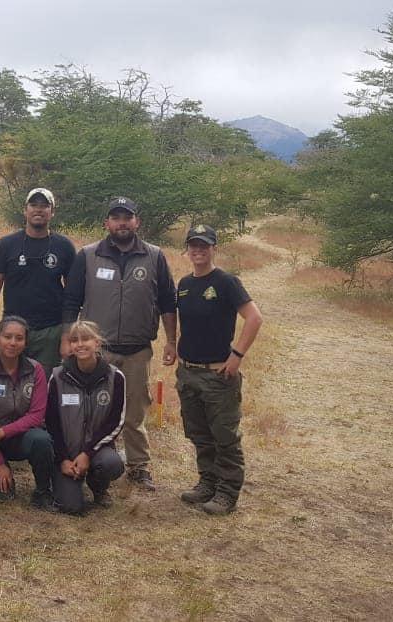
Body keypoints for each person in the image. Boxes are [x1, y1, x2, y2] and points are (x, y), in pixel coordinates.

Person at [61, 196, 177, 491]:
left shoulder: (154, 256)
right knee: (92, 410)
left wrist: (171, 341)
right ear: (107, 223)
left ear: (137, 222)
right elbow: (71, 300)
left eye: (127, 217)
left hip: (138, 350)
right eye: (116, 218)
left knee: (135, 412)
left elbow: (167, 302)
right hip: (97, 352)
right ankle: (90, 461)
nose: (122, 223)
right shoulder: (88, 255)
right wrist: (67, 340)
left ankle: (138, 466)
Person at [175, 225, 263, 515]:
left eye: (204, 245)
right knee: (199, 435)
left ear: (214, 248)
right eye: (193, 245)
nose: (198, 250)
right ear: (187, 249)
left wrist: (237, 355)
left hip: (217, 375)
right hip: (188, 372)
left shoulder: (226, 282)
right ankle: (207, 483)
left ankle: (227, 492)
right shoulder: (185, 284)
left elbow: (254, 318)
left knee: (224, 437)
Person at [0, 188, 76, 374]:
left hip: (50, 330)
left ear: (52, 212)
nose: (38, 210)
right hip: (14, 329)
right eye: (33, 205)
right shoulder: (6, 244)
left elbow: (72, 292)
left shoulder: (64, 246)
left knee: (44, 381)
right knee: (8, 378)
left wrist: (67, 333)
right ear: (25, 210)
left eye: (45, 206)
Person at [0, 316, 55, 508]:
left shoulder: (36, 370)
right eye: (7, 337)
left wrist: (2, 432)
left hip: (17, 437)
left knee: (41, 439)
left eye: (19, 338)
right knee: (1, 496)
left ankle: (43, 491)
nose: (13, 343)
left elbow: (37, 415)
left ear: (26, 342)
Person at [47, 320, 126, 515]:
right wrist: (63, 459)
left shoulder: (115, 377)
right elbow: (51, 423)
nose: (80, 344)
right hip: (66, 453)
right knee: (71, 508)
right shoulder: (58, 377)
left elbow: (115, 422)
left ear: (97, 343)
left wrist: (87, 454)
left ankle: (98, 487)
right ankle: (62, 481)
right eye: (74, 340)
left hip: (96, 451)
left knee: (111, 464)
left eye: (86, 339)